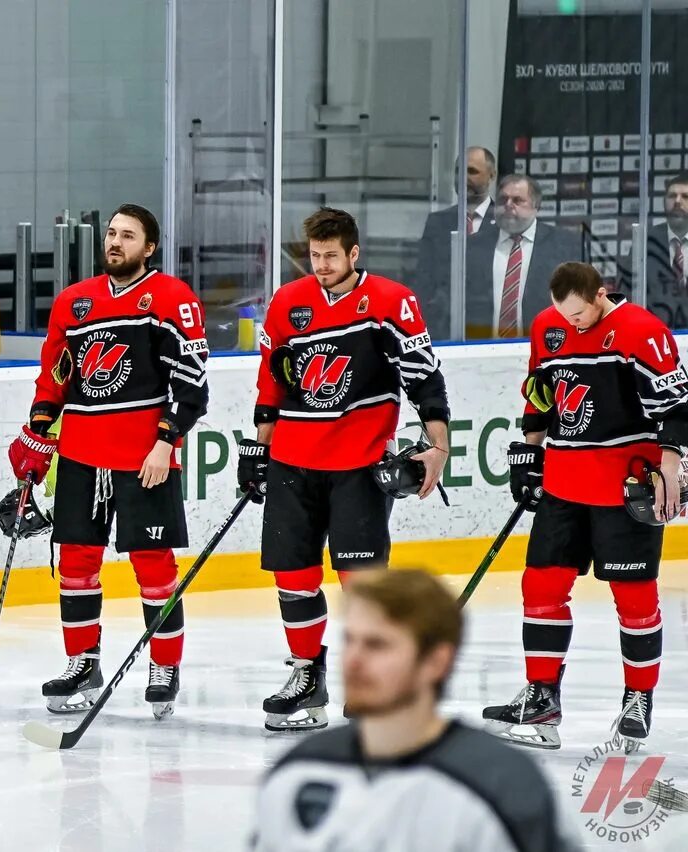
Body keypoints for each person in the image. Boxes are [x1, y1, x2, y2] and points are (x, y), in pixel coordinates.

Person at [237, 207, 450, 732]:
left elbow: (424, 378)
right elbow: (272, 384)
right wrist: (259, 449)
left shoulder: (389, 301)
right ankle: (308, 676)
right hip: (292, 460)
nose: (322, 265)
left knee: (361, 581)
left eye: (331, 256)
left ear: (354, 254)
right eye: (314, 256)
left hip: (358, 461)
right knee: (293, 575)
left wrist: (438, 447)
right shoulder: (288, 303)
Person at [9, 203, 209, 719]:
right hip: (80, 454)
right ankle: (83, 663)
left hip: (144, 457)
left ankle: (164, 664)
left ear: (150, 247)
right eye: (111, 234)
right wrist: (37, 429)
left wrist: (166, 442)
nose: (115, 242)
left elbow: (191, 385)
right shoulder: (74, 303)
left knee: (154, 566)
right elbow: (54, 375)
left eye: (128, 235)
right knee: (76, 565)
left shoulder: (171, 299)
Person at [483, 262, 688, 750]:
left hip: (626, 487)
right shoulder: (548, 327)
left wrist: (673, 470)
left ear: (601, 294)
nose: (572, 325)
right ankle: (542, 696)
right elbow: (540, 394)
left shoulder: (642, 332)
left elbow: (677, 409)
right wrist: (530, 452)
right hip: (563, 484)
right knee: (541, 586)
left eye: (580, 314)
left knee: (634, 596)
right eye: (563, 315)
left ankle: (638, 699)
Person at [250, 570, 578, 852]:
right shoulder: (297, 772)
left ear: (437, 660)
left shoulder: (505, 786)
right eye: (350, 640)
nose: (354, 660)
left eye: (378, 645)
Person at [465, 174, 584, 339]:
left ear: (536, 206)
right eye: (502, 199)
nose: (508, 205)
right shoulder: (473, 246)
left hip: (545, 347)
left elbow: (578, 303)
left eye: (517, 200)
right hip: (481, 348)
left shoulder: (564, 246)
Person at [414, 146, 498, 334]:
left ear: (492, 176)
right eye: (459, 171)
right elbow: (424, 279)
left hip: (488, 327)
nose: (463, 178)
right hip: (443, 325)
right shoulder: (437, 222)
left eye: (472, 172)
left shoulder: (504, 222)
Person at [645, 173, 688, 329]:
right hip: (656, 334)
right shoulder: (646, 241)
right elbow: (629, 292)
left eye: (685, 196)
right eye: (672, 196)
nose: (677, 201)